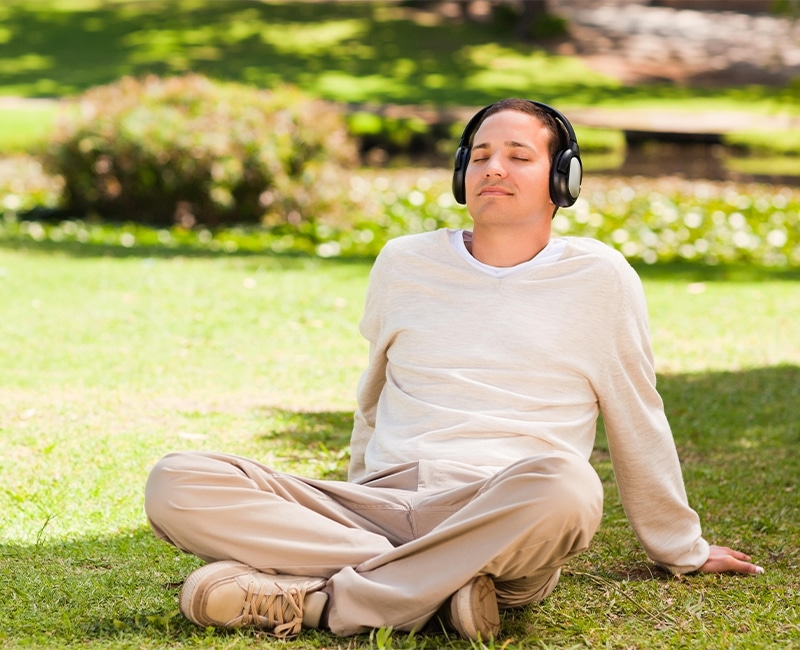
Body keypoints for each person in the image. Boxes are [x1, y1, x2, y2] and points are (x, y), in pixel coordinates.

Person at [144, 98, 764, 642]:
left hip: (504, 506)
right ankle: (442, 588)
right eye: (481, 155)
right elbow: (374, 395)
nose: (494, 168)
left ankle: (323, 603)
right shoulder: (404, 263)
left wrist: (681, 548)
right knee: (177, 480)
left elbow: (638, 414)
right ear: (460, 175)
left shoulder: (600, 278)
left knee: (571, 487)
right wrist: (361, 487)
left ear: (562, 180)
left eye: (519, 156)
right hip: (382, 499)